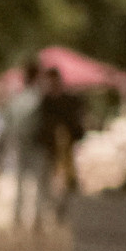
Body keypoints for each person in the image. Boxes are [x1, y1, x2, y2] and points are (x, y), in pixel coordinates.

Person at [38, 66, 86, 221]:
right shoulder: (46, 102)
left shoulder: (68, 101)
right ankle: (54, 210)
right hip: (51, 148)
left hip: (66, 147)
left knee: (69, 179)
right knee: (51, 180)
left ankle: (67, 210)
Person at [4, 61, 46, 234]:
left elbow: (9, 123)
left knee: (22, 182)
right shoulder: (38, 98)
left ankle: (18, 218)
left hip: (22, 143)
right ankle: (35, 218)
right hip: (36, 144)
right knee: (39, 183)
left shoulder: (17, 98)